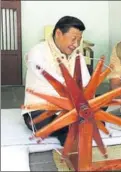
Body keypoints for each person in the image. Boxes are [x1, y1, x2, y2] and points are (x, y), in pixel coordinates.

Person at [22, 16, 91, 145]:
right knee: (46, 121)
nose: (76, 44)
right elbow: (59, 86)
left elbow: (86, 83)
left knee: (100, 101)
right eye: (73, 39)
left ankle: (73, 127)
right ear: (58, 33)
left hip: (71, 108)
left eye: (79, 40)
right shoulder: (37, 52)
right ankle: (73, 130)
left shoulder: (76, 54)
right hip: (41, 110)